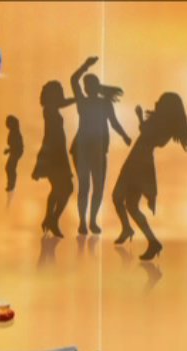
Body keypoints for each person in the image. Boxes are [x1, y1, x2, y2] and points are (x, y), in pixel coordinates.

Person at [111, 92, 187, 261]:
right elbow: (146, 131)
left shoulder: (164, 126)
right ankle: (144, 237)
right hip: (136, 160)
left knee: (121, 199)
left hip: (139, 163)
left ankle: (144, 237)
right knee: (128, 204)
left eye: (160, 101)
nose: (156, 102)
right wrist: (140, 118)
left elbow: (152, 137)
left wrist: (140, 118)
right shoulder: (159, 122)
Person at [70, 56, 132, 235]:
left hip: (97, 149)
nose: (88, 88)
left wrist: (124, 135)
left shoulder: (104, 103)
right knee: (86, 186)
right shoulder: (83, 101)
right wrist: (85, 66)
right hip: (83, 148)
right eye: (88, 85)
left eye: (91, 85)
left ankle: (91, 221)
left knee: (96, 187)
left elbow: (114, 122)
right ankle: (83, 222)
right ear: (87, 88)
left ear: (95, 87)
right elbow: (74, 80)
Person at [32, 80, 76, 238]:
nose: (62, 93)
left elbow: (63, 103)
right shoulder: (50, 109)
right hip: (54, 154)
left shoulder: (52, 107)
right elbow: (49, 136)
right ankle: (52, 219)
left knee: (59, 189)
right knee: (65, 188)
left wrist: (76, 99)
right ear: (54, 94)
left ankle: (50, 219)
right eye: (59, 90)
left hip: (57, 153)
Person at [3, 114, 24, 193]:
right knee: (9, 168)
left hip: (16, 151)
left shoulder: (15, 132)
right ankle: (11, 184)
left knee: (10, 168)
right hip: (14, 151)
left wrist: (9, 150)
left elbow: (16, 145)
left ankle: (11, 185)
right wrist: (9, 150)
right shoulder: (12, 131)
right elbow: (13, 144)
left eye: (9, 122)